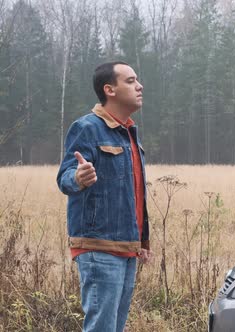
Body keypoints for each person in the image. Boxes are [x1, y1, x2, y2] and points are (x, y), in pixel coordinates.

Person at [57, 61, 153, 332]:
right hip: (99, 247)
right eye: (131, 81)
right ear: (109, 89)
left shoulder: (129, 133)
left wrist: (141, 240)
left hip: (126, 247)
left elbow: (133, 192)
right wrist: (77, 177)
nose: (140, 85)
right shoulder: (87, 128)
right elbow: (64, 176)